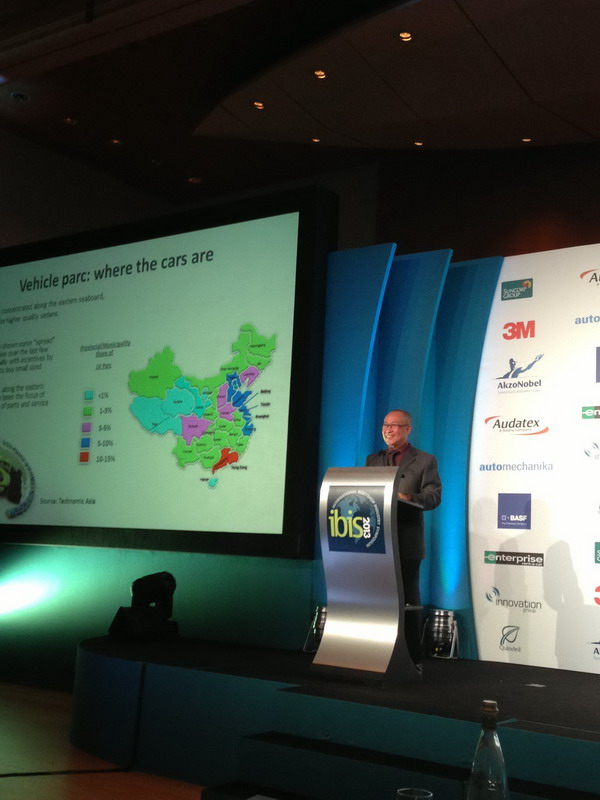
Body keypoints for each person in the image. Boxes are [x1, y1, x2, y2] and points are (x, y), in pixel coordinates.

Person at [365, 409, 442, 607]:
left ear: (408, 429)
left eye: (394, 425)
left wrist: (407, 497)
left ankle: (410, 629)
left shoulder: (425, 460)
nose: (388, 430)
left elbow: (433, 497)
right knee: (378, 600)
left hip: (406, 542)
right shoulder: (372, 460)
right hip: (376, 541)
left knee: (407, 599)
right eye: (385, 425)